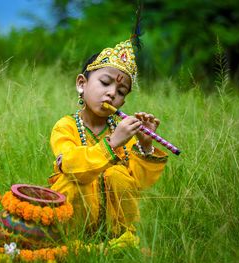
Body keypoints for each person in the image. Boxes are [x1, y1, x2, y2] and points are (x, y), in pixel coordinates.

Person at [48, 38, 168, 237]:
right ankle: (71, 239)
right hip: (71, 226)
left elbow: (138, 185)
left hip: (116, 232)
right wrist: (112, 144)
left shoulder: (123, 131)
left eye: (121, 92)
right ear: (81, 84)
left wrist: (145, 146)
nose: (112, 93)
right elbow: (70, 165)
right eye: (105, 82)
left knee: (118, 175)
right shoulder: (65, 127)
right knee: (75, 180)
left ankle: (120, 236)